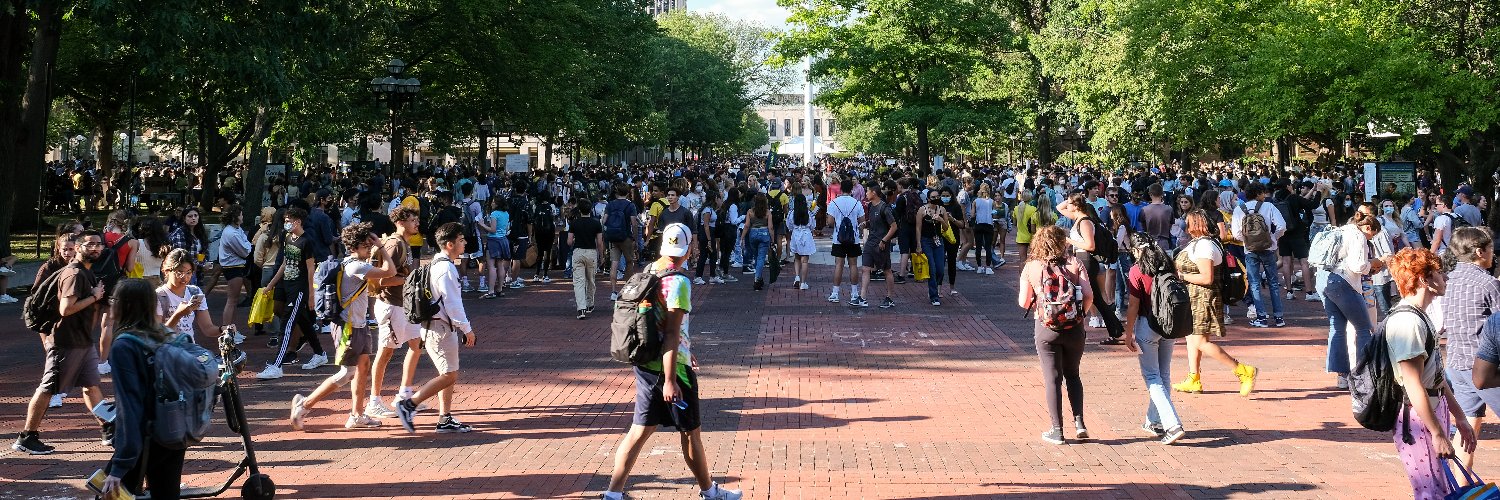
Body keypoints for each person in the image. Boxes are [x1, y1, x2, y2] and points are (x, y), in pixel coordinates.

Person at [601, 223, 741, 500]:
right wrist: (670, 380)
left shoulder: (651, 270)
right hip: (671, 370)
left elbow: (662, 327)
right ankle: (709, 492)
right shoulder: (678, 282)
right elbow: (672, 333)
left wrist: (685, 349)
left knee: (638, 432)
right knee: (691, 433)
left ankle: (612, 494)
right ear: (688, 249)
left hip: (645, 362)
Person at [1384, 248, 1476, 499]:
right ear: (1424, 279)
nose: (1445, 278)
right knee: (1430, 492)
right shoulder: (1409, 322)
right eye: (1439, 272)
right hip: (1417, 417)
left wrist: (1459, 416)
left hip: (1432, 408)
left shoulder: (1420, 316)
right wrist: (1436, 433)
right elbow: (1413, 383)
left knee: (1439, 489)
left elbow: (1435, 376)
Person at [290, 222, 397, 430]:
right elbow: (390, 271)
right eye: (366, 245)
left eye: (370, 244)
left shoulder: (353, 263)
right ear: (354, 246)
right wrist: (381, 246)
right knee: (347, 373)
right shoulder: (356, 266)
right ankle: (304, 405)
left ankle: (357, 415)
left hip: (359, 324)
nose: (369, 248)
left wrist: (375, 247)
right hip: (348, 326)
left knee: (363, 367)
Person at [14, 232, 110, 455]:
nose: (96, 248)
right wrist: (94, 297)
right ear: (78, 248)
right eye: (90, 244)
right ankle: (27, 437)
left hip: (83, 341)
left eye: (99, 244)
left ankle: (108, 429)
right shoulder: (74, 274)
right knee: (48, 388)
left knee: (91, 385)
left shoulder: (86, 272)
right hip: (66, 342)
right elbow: (65, 309)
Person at [97, 278, 187, 498]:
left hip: (144, 436)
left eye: (114, 299)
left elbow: (130, 406)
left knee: (110, 495)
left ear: (125, 305)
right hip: (174, 429)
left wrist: (120, 466)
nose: (111, 303)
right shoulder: (166, 335)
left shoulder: (125, 345)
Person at [395, 222, 478, 434]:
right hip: (440, 327)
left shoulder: (436, 264)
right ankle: (409, 405)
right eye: (461, 240)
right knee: (449, 375)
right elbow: (453, 304)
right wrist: (467, 329)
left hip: (434, 325)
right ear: (450, 244)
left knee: (447, 372)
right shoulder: (446, 269)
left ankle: (445, 417)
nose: (464, 243)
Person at [1017, 226, 1092, 445]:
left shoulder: (1031, 266)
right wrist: (1080, 315)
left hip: (1046, 328)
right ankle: (1079, 423)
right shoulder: (1074, 263)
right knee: (1073, 374)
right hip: (1074, 327)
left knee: (1053, 379)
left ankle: (1057, 430)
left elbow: (1023, 301)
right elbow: (1088, 295)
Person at [1172, 211, 1259, 396]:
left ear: (1196, 225)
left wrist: (1182, 276)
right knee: (1191, 338)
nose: (1186, 227)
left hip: (1203, 298)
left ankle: (1243, 370)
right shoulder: (1200, 243)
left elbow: (1207, 278)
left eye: (1189, 223)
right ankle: (1194, 378)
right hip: (1194, 297)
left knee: (1200, 341)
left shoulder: (1205, 245)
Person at [1438, 227, 1498, 471]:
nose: (1494, 253)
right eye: (1491, 248)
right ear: (1480, 252)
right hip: (1485, 367)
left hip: (1456, 363)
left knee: (1467, 430)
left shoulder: (1448, 280)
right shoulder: (1488, 283)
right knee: (1467, 428)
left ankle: (1462, 487)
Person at [1121, 232, 1187, 445]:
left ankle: (1172, 424)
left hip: (1147, 325)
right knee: (1163, 374)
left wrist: (1128, 333)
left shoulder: (1136, 270)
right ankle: (1154, 421)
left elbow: (1133, 305)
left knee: (1152, 376)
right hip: (1169, 324)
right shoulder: (1168, 264)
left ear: (1135, 250)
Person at [368, 206, 425, 419]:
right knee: (385, 352)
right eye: (412, 220)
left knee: (416, 345)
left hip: (403, 305)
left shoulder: (404, 243)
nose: (416, 223)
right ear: (400, 222)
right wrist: (410, 279)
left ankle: (404, 394)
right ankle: (374, 401)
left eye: (416, 219)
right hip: (391, 305)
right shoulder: (395, 245)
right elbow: (382, 279)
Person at [258, 206, 329, 377]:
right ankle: (319, 353)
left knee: (287, 324)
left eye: (288, 221)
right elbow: (284, 263)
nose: (286, 223)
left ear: (297, 222)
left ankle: (277, 365)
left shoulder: (306, 241)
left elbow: (311, 269)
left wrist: (311, 295)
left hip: (299, 289)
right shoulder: (287, 237)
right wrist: (271, 285)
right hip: (287, 285)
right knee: (303, 321)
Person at [1321, 211, 1387, 389]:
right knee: (1364, 328)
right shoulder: (1358, 236)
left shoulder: (1341, 230)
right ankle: (1363, 375)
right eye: (1372, 235)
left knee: (1337, 328)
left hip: (1325, 280)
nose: (1370, 239)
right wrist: (1372, 263)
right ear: (1368, 228)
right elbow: (1358, 266)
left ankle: (1342, 376)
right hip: (1344, 282)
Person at [1060, 193, 1126, 344]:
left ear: (1076, 206)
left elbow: (1090, 246)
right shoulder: (1078, 219)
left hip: (1087, 260)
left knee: (1088, 297)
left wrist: (1069, 240)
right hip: (1082, 260)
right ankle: (1117, 331)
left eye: (1070, 203)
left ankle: (1116, 332)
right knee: (1092, 298)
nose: (1067, 206)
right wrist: (1074, 197)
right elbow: (1059, 208)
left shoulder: (1084, 222)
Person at [1232, 183, 1288, 328]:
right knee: (1273, 283)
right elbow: (1282, 226)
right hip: (1268, 248)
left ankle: (1261, 317)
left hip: (1250, 250)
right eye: (1263, 192)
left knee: (1254, 284)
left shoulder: (1239, 209)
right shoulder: (1269, 206)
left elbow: (1236, 233)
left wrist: (1247, 240)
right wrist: (1272, 238)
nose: (1265, 195)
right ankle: (1279, 317)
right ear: (1258, 193)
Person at [156, 249, 222, 346]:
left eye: (188, 272)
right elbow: (158, 336)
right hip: (168, 351)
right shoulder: (159, 296)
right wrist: (178, 315)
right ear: (167, 271)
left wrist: (222, 329)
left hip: (189, 349)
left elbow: (207, 328)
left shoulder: (194, 292)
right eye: (179, 272)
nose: (185, 277)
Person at [860, 182, 899, 309]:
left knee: (886, 270)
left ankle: (890, 297)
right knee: (865, 268)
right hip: (871, 242)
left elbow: (894, 226)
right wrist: (866, 224)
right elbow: (874, 222)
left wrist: (884, 240)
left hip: (881, 244)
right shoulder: (871, 206)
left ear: (874, 193)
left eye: (867, 191)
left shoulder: (884, 208)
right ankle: (862, 297)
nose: (866, 194)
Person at [826, 178, 865, 304]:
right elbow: (862, 222)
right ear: (851, 189)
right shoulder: (857, 203)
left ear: (841, 189)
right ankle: (854, 293)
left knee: (839, 265)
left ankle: (835, 293)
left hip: (839, 238)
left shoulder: (834, 203)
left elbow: (830, 222)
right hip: (853, 239)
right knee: (853, 265)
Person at [915, 189, 958, 306]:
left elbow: (946, 228)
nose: (936, 199)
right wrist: (918, 244)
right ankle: (934, 295)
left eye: (937, 196)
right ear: (928, 198)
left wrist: (941, 220)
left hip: (938, 241)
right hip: (926, 241)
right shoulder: (922, 210)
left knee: (940, 269)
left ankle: (934, 290)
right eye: (933, 197)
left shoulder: (942, 209)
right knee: (932, 269)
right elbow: (918, 228)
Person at [218, 206, 252, 341]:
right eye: (241, 215)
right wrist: (248, 246)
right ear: (235, 217)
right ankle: (227, 333)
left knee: (234, 300)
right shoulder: (231, 233)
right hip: (233, 267)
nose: (242, 217)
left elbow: (246, 243)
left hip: (235, 266)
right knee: (232, 300)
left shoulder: (236, 229)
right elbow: (245, 250)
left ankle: (232, 329)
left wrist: (247, 245)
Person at [602, 184, 640, 300]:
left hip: (613, 236)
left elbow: (604, 221)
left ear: (616, 193)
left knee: (614, 262)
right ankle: (627, 288)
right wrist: (635, 239)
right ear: (627, 193)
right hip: (626, 236)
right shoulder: (630, 205)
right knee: (629, 261)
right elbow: (634, 223)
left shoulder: (610, 204)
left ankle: (613, 291)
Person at [570, 198, 605, 319]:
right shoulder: (596, 223)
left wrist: (574, 240)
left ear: (579, 210)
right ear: (590, 209)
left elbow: (569, 241)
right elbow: (599, 243)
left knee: (579, 281)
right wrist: (602, 256)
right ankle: (590, 304)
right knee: (591, 279)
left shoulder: (574, 223)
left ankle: (581, 308)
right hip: (591, 252)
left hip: (578, 252)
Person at [478, 196, 512, 300]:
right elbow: (505, 228)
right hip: (503, 240)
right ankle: (499, 289)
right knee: (500, 265)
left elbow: (493, 230)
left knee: (491, 266)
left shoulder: (494, 214)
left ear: (497, 204)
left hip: (493, 241)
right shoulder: (506, 214)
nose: (491, 203)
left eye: (493, 202)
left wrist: (482, 224)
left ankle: (491, 291)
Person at [739, 193, 775, 291]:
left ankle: (759, 277)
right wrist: (773, 239)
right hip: (764, 234)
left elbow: (747, 225)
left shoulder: (750, 212)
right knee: (761, 258)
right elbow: (770, 227)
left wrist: (742, 237)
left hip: (753, 234)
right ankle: (757, 279)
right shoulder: (767, 212)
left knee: (756, 256)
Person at [787, 187, 816, 291]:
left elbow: (789, 225)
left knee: (797, 257)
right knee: (805, 260)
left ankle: (797, 277)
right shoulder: (808, 213)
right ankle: (803, 283)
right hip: (806, 234)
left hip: (796, 234)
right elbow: (812, 225)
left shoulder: (792, 213)